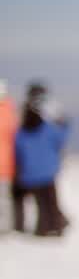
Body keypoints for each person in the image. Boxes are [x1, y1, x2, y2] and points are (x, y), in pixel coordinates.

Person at [13, 81, 71, 236]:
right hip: (47, 172)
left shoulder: (22, 126)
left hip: (29, 173)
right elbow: (61, 137)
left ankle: (38, 227)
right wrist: (63, 123)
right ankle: (55, 225)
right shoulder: (47, 126)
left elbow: (18, 145)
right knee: (50, 202)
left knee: (39, 202)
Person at [0, 80, 15, 234]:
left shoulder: (8, 113)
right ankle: (4, 227)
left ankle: (4, 228)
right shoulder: (11, 113)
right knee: (4, 199)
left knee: (3, 199)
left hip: (4, 165)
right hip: (6, 165)